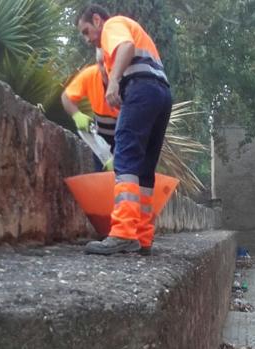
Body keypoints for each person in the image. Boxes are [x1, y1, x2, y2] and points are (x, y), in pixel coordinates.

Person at [75, 4, 172, 255]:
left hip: (140, 89)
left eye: (87, 31)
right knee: (145, 169)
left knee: (126, 159)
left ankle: (123, 233)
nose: (88, 39)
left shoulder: (112, 25)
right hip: (161, 94)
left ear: (97, 20)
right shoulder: (128, 32)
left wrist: (114, 81)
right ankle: (143, 237)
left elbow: (126, 47)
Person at [61, 49, 118, 171]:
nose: (105, 69)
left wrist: (120, 156)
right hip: (101, 139)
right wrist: (76, 115)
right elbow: (66, 97)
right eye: (102, 63)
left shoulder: (129, 80)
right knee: (101, 179)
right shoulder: (90, 75)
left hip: (127, 136)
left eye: (109, 64)